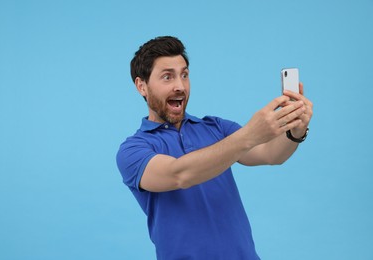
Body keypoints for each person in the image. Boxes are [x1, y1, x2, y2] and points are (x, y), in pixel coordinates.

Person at [116, 36, 313, 260]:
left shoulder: (216, 128)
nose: (180, 86)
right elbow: (179, 174)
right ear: (142, 86)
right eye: (167, 77)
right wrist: (249, 134)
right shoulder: (133, 151)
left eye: (184, 75)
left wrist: (296, 132)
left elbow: (270, 154)